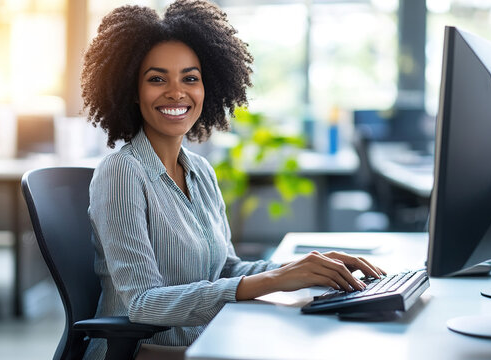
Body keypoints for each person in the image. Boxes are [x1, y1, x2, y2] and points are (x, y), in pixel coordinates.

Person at [80, 1, 385, 359]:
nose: (176, 92)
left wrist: (303, 269)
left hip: (207, 342)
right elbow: (142, 305)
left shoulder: (201, 172)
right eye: (156, 79)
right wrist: (272, 281)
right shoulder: (121, 173)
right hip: (147, 352)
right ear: (132, 90)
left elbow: (226, 268)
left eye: (190, 78)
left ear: (208, 87)